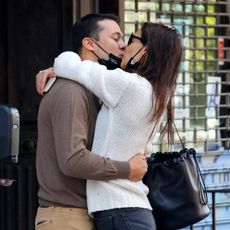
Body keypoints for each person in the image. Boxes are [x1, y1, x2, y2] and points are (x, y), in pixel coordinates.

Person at [37, 22, 183, 230]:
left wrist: (55, 68)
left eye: (131, 39)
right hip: (126, 211)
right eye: (117, 38)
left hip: (121, 211)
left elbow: (67, 62)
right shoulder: (155, 91)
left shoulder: (128, 85)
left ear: (146, 51)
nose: (124, 45)